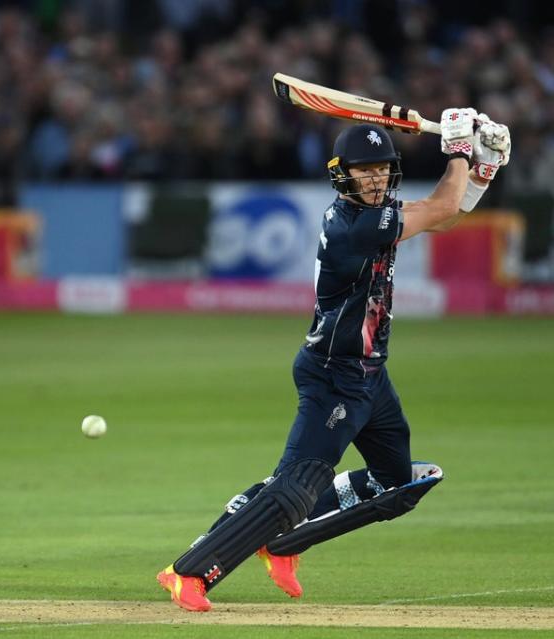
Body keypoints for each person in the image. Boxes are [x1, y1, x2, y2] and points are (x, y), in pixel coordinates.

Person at [157, 109, 511, 612]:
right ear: (342, 174)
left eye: (381, 168)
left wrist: (481, 168)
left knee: (401, 482)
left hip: (371, 376)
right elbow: (441, 205)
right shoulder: (353, 225)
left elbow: (445, 215)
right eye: (363, 169)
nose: (374, 178)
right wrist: (458, 151)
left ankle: (283, 542)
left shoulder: (382, 215)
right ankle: (187, 570)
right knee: (294, 489)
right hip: (333, 376)